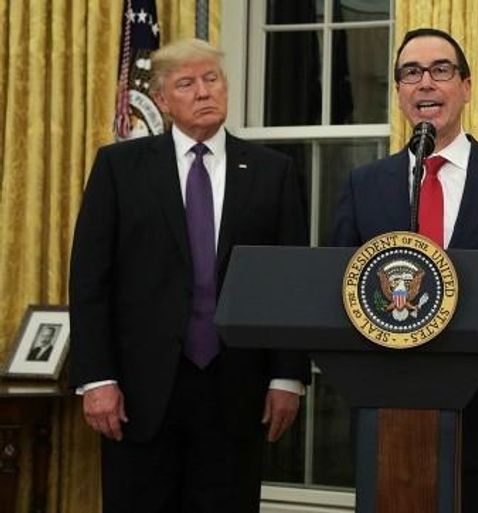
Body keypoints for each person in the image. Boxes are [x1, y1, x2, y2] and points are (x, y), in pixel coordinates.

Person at [69, 38, 310, 513]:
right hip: (139, 392)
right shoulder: (119, 168)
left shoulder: (273, 171)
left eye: (211, 79)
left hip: (237, 389)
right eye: (186, 83)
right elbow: (90, 280)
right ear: (162, 100)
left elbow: (290, 282)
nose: (203, 91)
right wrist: (96, 378)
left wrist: (288, 377)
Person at [330, 27, 478, 513]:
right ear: (399, 92)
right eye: (411, 73)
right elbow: (338, 288)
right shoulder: (364, 184)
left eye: (441, 70)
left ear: (466, 87)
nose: (425, 83)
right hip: (387, 410)